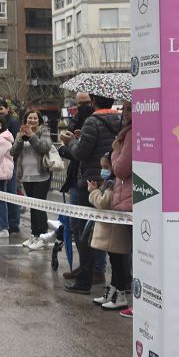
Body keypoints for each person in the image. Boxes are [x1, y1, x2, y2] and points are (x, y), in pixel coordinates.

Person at [62, 94, 121, 294]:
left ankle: (84, 279)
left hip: (91, 183)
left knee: (85, 231)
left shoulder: (92, 121)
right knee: (117, 232)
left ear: (94, 102)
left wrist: (71, 143)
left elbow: (81, 153)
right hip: (114, 181)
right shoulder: (121, 121)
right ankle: (123, 281)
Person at [89, 153, 131, 311]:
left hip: (116, 231)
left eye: (106, 167)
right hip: (112, 230)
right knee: (114, 263)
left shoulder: (113, 184)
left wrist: (92, 192)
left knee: (119, 264)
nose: (103, 170)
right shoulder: (109, 182)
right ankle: (112, 291)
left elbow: (104, 203)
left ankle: (119, 295)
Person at [12, 109, 52, 249]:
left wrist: (32, 136)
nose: (32, 121)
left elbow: (44, 147)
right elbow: (13, 152)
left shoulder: (44, 132)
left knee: (39, 207)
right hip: (26, 176)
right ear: (25, 120)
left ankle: (42, 237)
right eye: (30, 118)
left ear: (39, 120)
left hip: (42, 176)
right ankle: (34, 235)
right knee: (32, 208)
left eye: (35, 118)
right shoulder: (20, 133)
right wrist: (20, 139)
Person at [110, 102, 134, 317]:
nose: (127, 113)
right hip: (126, 198)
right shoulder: (127, 133)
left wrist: (115, 151)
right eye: (125, 108)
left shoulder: (131, 135)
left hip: (129, 200)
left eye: (132, 108)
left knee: (131, 251)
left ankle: (131, 297)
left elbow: (121, 168)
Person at [0, 100, 21, 232]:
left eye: (1, 109)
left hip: (9, 163)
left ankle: (13, 223)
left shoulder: (13, 123)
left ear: (7, 109)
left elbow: (14, 143)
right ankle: (9, 222)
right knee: (4, 194)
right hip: (1, 164)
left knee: (11, 193)